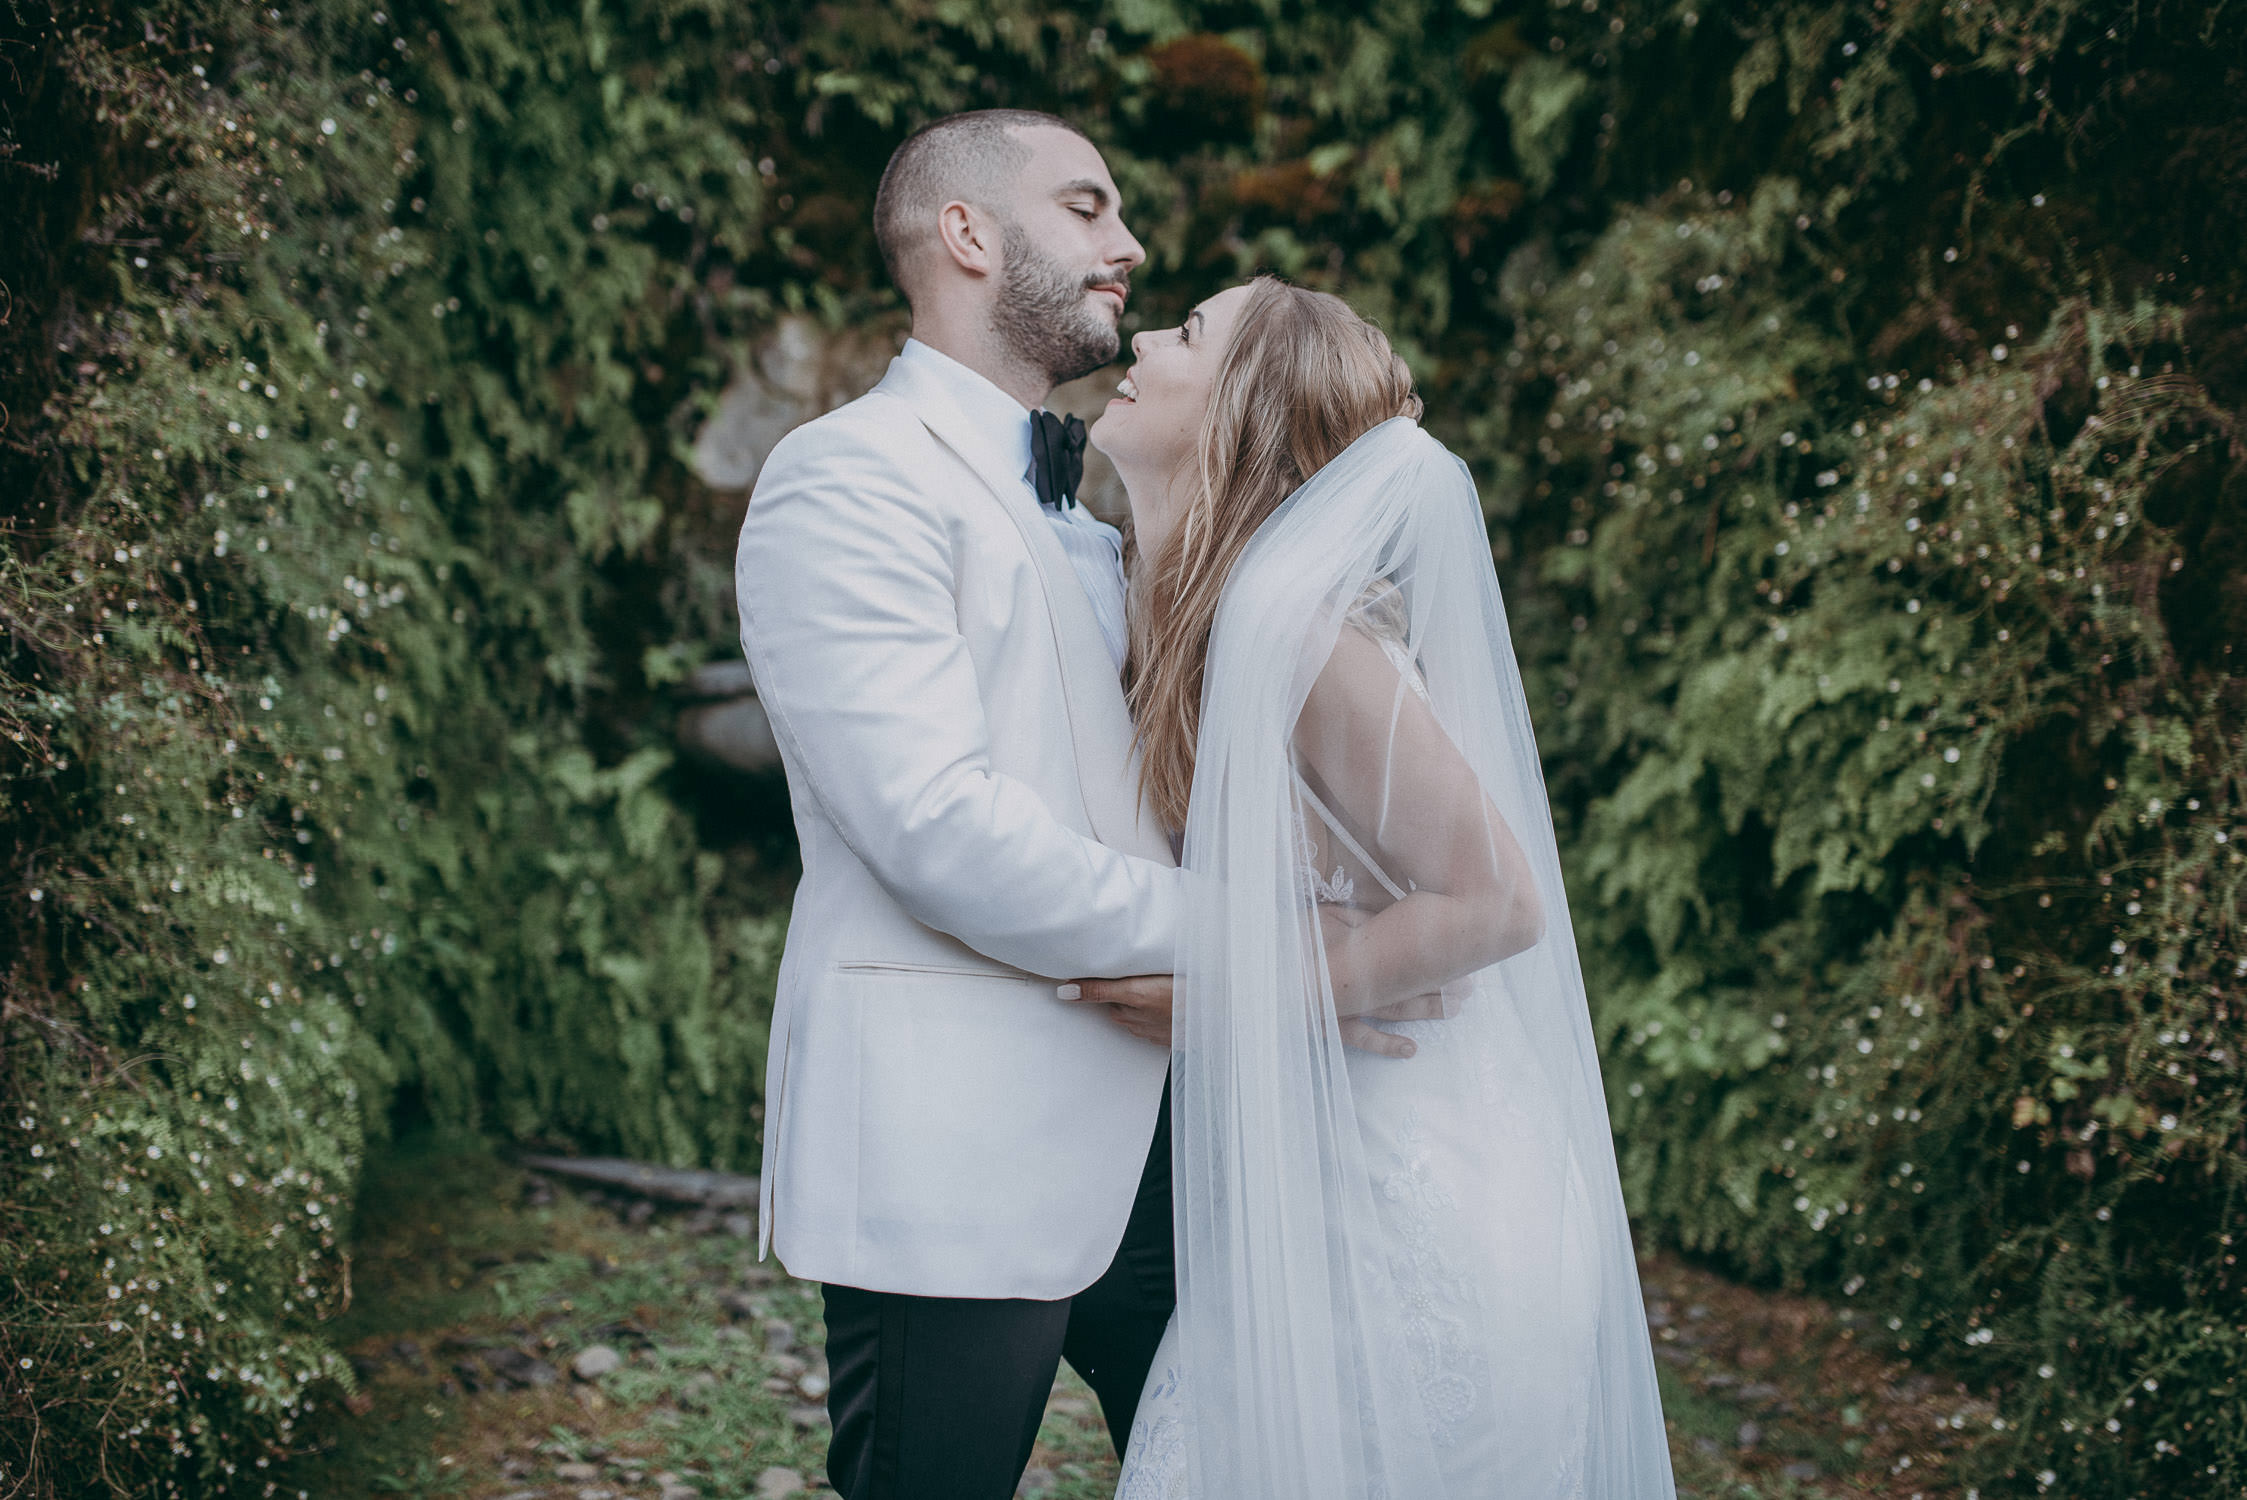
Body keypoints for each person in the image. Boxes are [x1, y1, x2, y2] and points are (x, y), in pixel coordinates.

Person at [1070, 278, 1678, 1498]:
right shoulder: (1192, 609)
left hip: (1415, 1223)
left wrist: (1241, 995)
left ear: (1248, 412)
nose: (1140, 337)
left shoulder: (1297, 628)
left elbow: (1497, 900)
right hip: (1324, 1194)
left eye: (1188, 332)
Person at [733, 111, 1183, 1499]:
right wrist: (1236, 934)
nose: (1129, 245)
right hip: (956, 1143)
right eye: (1087, 206)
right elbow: (934, 823)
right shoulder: (843, 480)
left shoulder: (1096, 512)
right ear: (968, 235)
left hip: (1169, 1139)